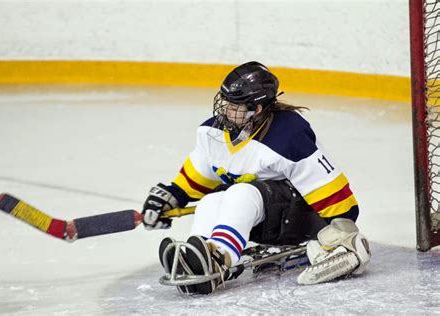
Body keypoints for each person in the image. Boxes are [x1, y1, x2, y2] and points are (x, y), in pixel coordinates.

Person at [141, 61, 371, 295]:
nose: (225, 110)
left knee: (241, 192)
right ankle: (198, 259)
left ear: (257, 109)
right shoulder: (211, 132)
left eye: (235, 106)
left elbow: (329, 187)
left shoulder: (288, 135)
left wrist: (342, 228)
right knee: (212, 201)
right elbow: (198, 176)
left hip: (298, 219)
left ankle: (220, 259)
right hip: (257, 220)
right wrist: (172, 196)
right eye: (225, 102)